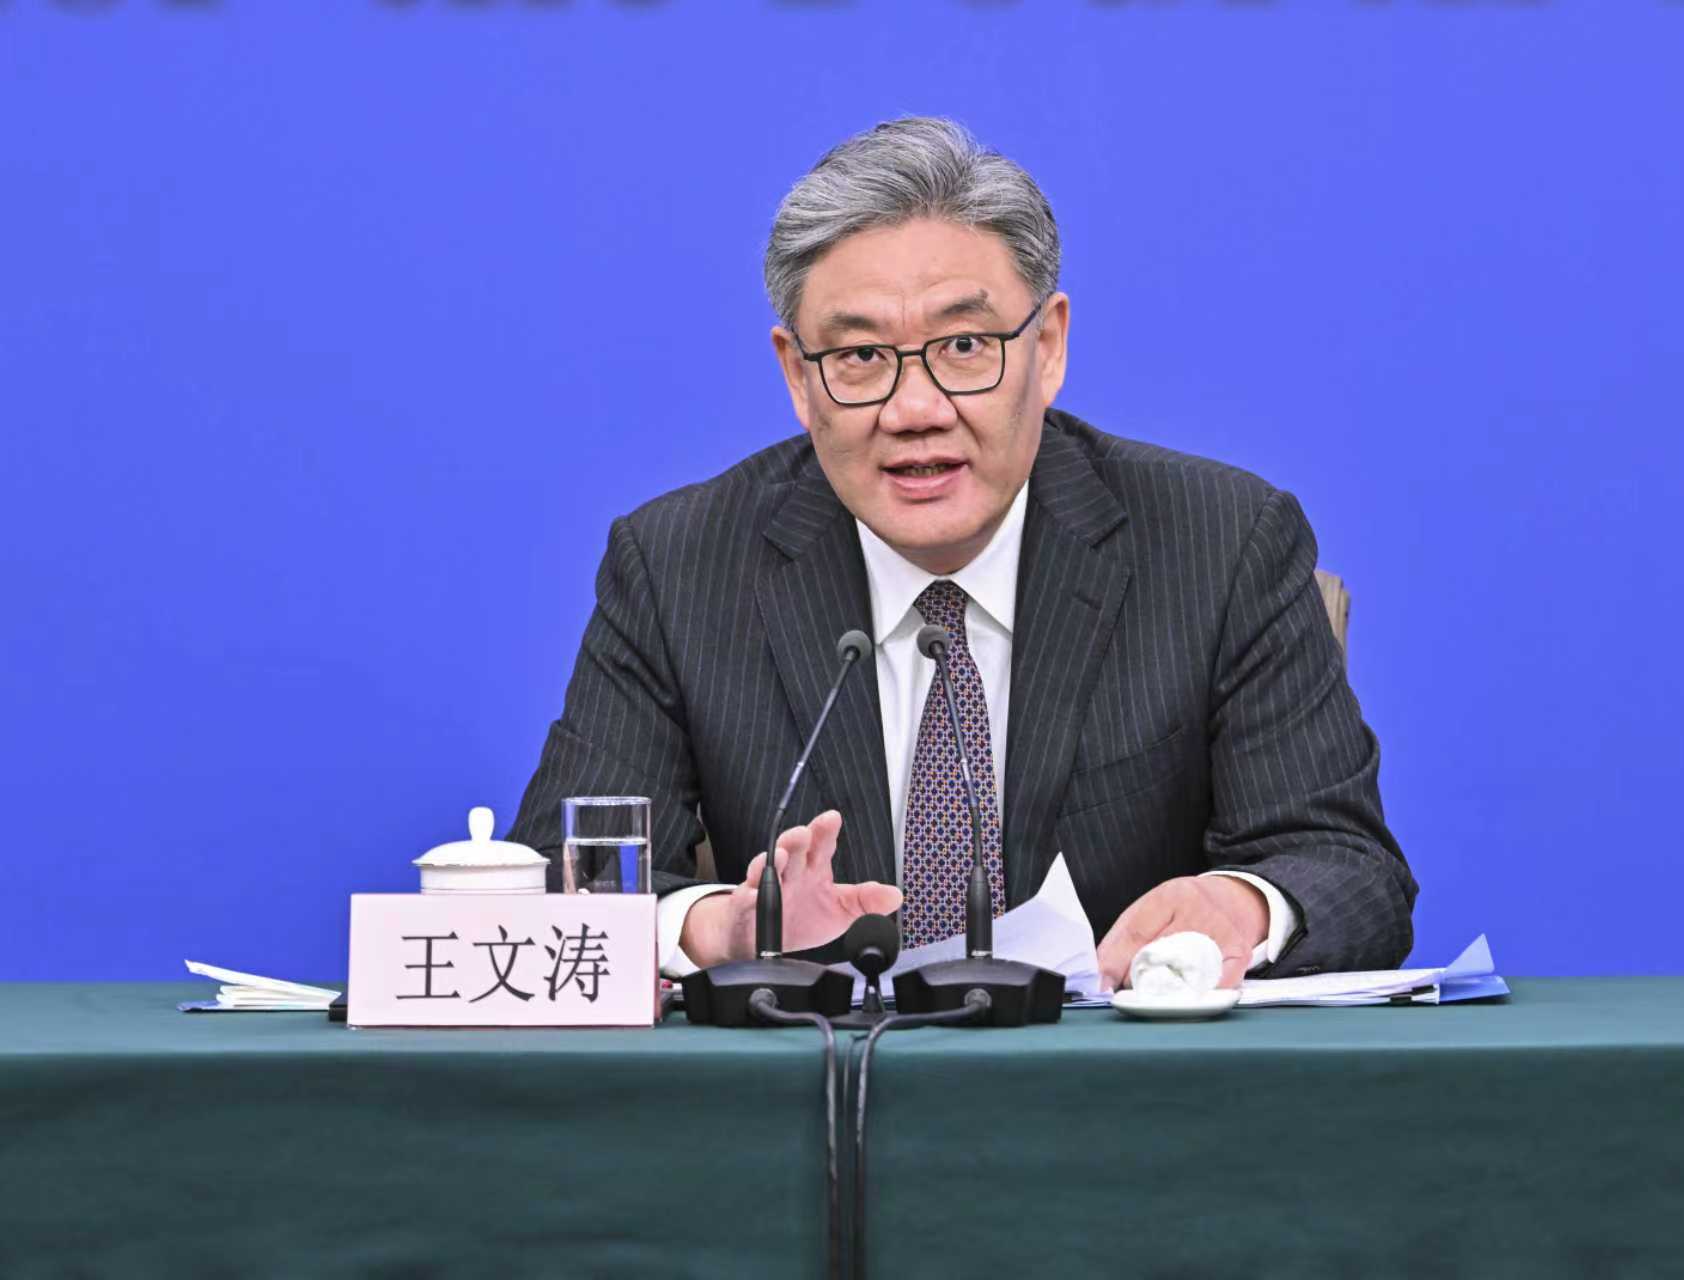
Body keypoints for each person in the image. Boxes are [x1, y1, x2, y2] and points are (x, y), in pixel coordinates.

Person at [507, 116, 1415, 990]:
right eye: (861, 357)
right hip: (814, 1085)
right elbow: (559, 880)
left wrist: (1244, 906)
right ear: (797, 375)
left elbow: (1349, 869)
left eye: (966, 346)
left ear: (1047, 348)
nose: (915, 409)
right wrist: (723, 929)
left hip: (1118, 1084)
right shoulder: (680, 567)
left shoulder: (1220, 544)